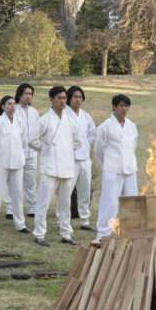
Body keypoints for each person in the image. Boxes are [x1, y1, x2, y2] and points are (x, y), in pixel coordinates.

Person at [30, 86, 79, 247]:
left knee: (65, 204)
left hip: (66, 166)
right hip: (49, 166)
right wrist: (47, 148)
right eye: (59, 98)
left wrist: (67, 149)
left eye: (65, 98)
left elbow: (77, 140)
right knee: (43, 202)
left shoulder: (70, 119)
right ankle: (39, 234)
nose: (63, 101)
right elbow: (32, 139)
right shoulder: (44, 119)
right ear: (51, 99)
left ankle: (66, 233)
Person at [94, 94, 139, 243]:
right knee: (110, 203)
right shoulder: (104, 127)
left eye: (127, 106)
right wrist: (107, 165)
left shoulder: (132, 126)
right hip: (112, 170)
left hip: (130, 170)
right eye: (121, 106)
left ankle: (130, 233)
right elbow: (98, 150)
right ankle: (102, 234)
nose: (124, 109)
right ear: (114, 107)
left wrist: (129, 163)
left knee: (132, 202)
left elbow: (133, 146)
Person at [0, 96, 28, 234]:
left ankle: (20, 224)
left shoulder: (20, 122)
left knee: (17, 195)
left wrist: (21, 156)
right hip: (0, 163)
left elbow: (24, 142)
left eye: (14, 104)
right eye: (9, 104)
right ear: (2, 106)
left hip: (17, 163)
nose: (12, 106)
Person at [5, 83, 39, 220]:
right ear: (19, 94)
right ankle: (10, 208)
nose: (28, 96)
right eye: (26, 93)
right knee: (13, 181)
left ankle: (31, 207)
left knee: (30, 182)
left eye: (30, 94)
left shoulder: (34, 112)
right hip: (16, 151)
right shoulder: (14, 109)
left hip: (32, 153)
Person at [64, 86, 96, 230]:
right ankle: (63, 220)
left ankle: (85, 220)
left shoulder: (86, 116)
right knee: (66, 190)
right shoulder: (64, 114)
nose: (78, 100)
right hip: (69, 158)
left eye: (80, 97)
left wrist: (85, 145)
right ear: (69, 99)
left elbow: (92, 134)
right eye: (75, 97)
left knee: (85, 190)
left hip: (84, 158)